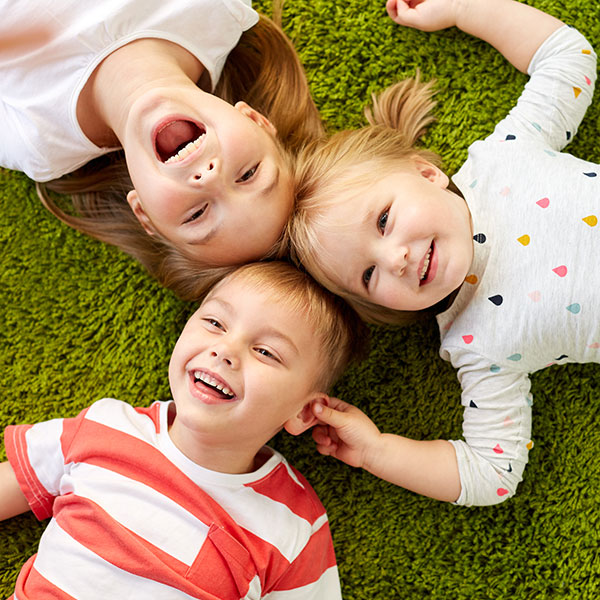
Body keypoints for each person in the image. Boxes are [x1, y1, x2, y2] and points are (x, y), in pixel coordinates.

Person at [286, 0, 598, 506]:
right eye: (368, 274)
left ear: (426, 173)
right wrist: (378, 452)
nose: (395, 259)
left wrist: (463, 8)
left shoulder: (503, 159)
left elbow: (568, 56)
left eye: (384, 220)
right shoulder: (477, 343)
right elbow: (492, 473)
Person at [0, 260, 368, 599]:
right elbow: (11, 485)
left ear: (303, 412)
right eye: (215, 323)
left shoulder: (294, 525)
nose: (224, 350)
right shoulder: (106, 425)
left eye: (266, 352)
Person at [0, 0, 323, 300]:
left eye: (197, 214)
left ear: (143, 213)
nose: (209, 179)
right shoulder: (218, 11)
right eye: (248, 174)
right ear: (254, 119)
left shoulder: (37, 143)